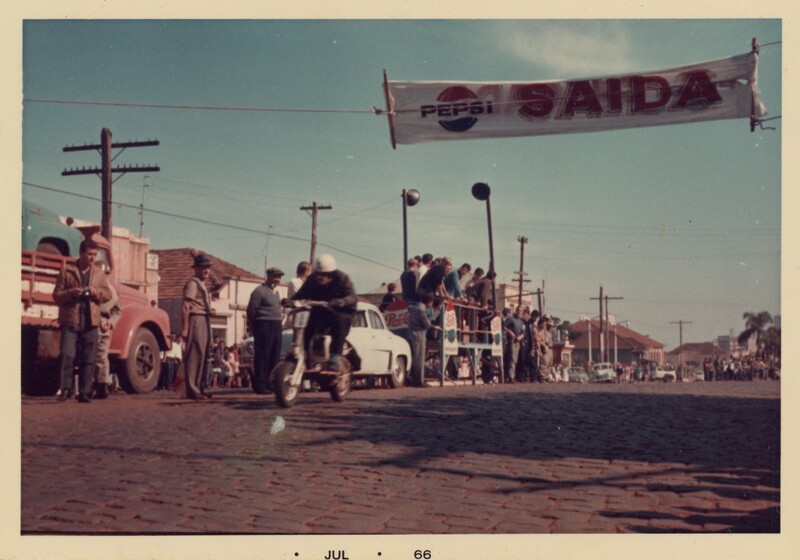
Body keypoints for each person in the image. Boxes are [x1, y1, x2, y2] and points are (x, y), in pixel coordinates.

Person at [53, 239, 112, 403]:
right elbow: (56, 296)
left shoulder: (99, 273)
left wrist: (95, 292)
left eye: (94, 254)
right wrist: (72, 293)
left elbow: (108, 295)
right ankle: (65, 389)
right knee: (67, 355)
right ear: (81, 253)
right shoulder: (67, 271)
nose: (92, 258)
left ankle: (85, 392)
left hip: (91, 321)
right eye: (89, 254)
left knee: (89, 358)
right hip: (71, 320)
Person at [291, 254, 357, 370]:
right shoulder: (312, 279)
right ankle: (307, 357)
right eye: (318, 274)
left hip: (340, 312)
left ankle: (335, 357)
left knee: (340, 321)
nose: (321, 277)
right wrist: (290, 301)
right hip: (321, 312)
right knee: (307, 327)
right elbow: (301, 294)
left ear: (332, 273)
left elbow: (352, 297)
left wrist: (343, 301)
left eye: (325, 274)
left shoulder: (343, 279)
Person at [181, 252, 214, 401]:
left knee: (203, 354)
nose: (206, 270)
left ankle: (199, 388)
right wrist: (185, 328)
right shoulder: (193, 284)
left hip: (204, 318)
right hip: (196, 320)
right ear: (196, 268)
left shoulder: (202, 284)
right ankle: (193, 390)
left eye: (208, 267)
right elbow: (186, 306)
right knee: (195, 354)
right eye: (203, 267)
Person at [246, 266, 285, 394]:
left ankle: (270, 383)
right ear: (268, 277)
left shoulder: (276, 293)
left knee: (275, 355)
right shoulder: (259, 291)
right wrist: (255, 327)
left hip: (276, 325)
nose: (277, 279)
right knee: (263, 355)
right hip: (263, 325)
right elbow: (251, 311)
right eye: (275, 277)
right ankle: (260, 384)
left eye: (279, 277)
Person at [93, 282, 121, 398]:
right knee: (102, 356)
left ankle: (95, 387)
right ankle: (102, 386)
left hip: (94, 323)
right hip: (104, 325)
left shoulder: (95, 284)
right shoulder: (112, 289)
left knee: (92, 356)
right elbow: (117, 311)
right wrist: (111, 322)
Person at [407, 292, 438, 387]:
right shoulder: (421, 310)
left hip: (410, 334)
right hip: (419, 335)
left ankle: (410, 379)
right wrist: (435, 327)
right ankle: (418, 381)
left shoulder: (412, 308)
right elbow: (427, 324)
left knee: (413, 358)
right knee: (419, 359)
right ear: (429, 301)